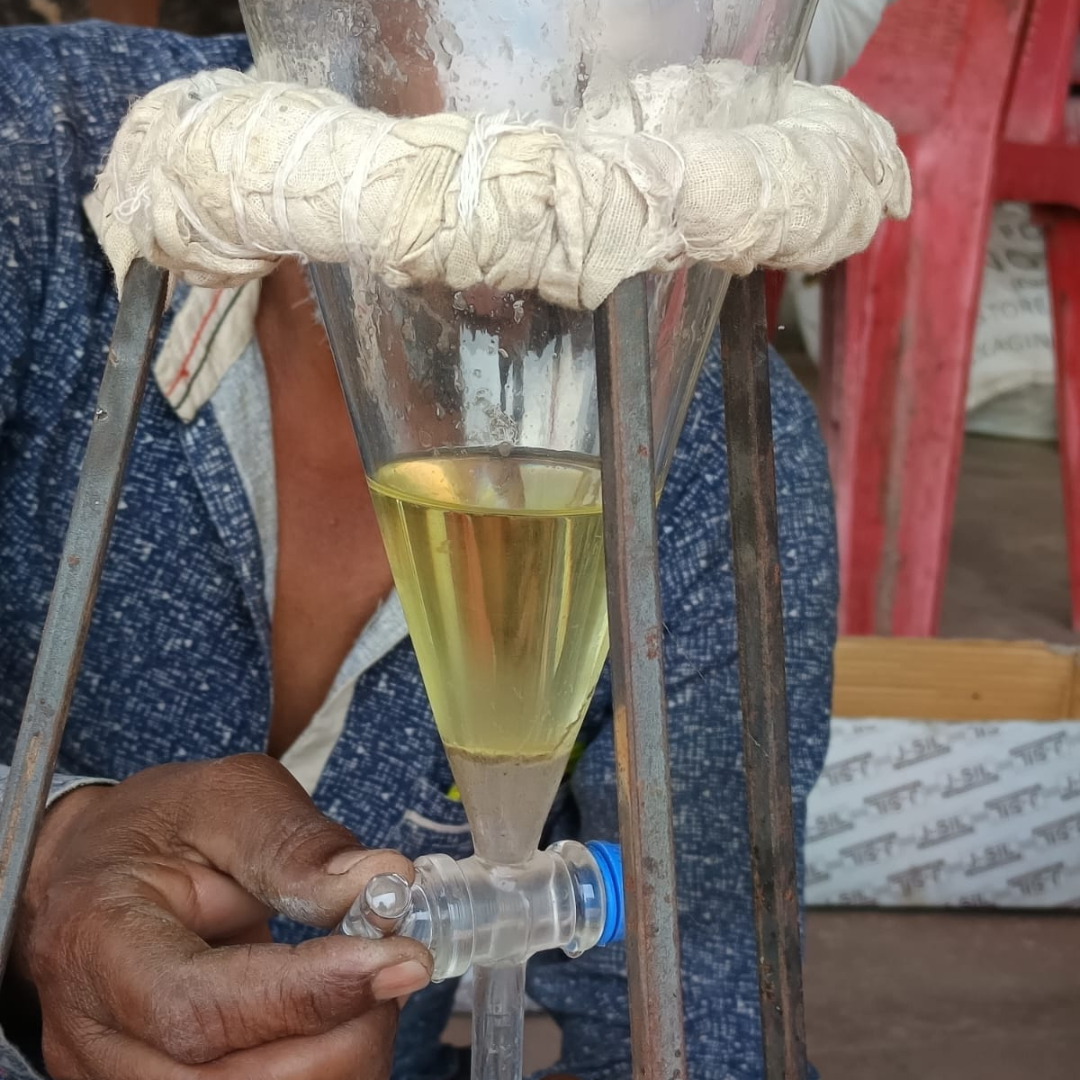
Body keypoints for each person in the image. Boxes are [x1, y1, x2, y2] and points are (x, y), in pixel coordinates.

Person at [0, 2, 892, 1075]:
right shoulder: (44, 169)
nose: (578, 70)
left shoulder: (705, 449)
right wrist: (40, 855)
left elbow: (698, 1018)